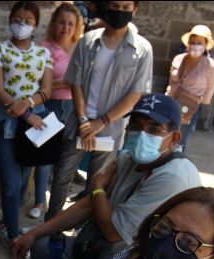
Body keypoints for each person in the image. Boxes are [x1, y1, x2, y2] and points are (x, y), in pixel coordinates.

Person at [12, 94, 201, 259]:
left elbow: (113, 232)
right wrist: (34, 233)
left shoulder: (172, 177)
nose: (141, 135)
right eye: (136, 126)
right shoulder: (129, 157)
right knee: (40, 246)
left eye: (154, 129)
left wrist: (98, 189)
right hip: (109, 250)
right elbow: (87, 206)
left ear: (174, 138)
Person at [53, 0, 153, 207]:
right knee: (61, 178)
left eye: (126, 8)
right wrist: (84, 121)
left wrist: (101, 123)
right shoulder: (87, 41)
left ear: (135, 10)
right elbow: (76, 83)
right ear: (108, 6)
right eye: (116, 6)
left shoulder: (143, 49)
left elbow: (136, 93)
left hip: (111, 128)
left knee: (97, 184)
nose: (120, 11)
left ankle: (83, 226)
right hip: (79, 123)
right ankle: (52, 222)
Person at [0, 1, 54, 247]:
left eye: (28, 21)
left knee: (22, 182)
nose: (22, 25)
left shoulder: (43, 54)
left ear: (36, 25)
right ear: (10, 20)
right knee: (11, 184)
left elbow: (47, 90)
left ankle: (7, 223)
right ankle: (14, 237)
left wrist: (28, 103)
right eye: (17, 19)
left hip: (34, 127)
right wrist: (24, 113)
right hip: (7, 125)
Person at [38, 3, 85, 221]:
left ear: (77, 26)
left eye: (70, 24)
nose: (66, 28)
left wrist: (70, 83)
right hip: (51, 106)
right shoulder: (44, 47)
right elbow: (40, 84)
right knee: (45, 155)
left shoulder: (81, 48)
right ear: (54, 23)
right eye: (61, 22)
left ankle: (56, 207)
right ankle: (39, 200)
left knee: (67, 159)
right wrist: (65, 83)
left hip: (75, 107)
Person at [165, 25, 214, 151]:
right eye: (192, 42)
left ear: (205, 45)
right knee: (165, 135)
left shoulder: (210, 65)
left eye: (199, 43)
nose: (195, 45)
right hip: (171, 102)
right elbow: (171, 80)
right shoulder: (179, 59)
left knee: (179, 140)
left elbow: (210, 88)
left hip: (190, 107)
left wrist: (201, 101)